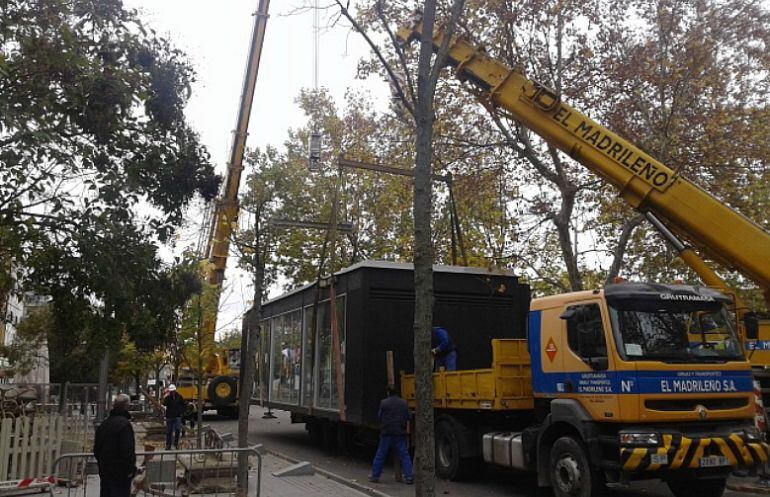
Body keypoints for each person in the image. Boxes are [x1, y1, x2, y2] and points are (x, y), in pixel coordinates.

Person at [368, 385, 414, 485]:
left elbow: (379, 416)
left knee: (381, 454)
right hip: (399, 433)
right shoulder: (404, 403)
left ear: (388, 392)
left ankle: (375, 476)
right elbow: (408, 416)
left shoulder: (384, 403)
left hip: (386, 433)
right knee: (404, 455)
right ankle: (409, 477)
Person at [94, 394, 136, 497]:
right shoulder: (125, 425)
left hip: (105, 471)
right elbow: (127, 451)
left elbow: (96, 449)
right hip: (120, 473)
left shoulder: (104, 425)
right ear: (127, 407)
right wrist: (130, 469)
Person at [162, 384, 186, 450]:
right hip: (169, 416)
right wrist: (165, 396)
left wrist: (181, 412)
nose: (172, 392)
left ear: (175, 390)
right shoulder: (167, 397)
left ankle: (176, 443)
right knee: (169, 431)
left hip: (177, 416)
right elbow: (164, 404)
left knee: (178, 429)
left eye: (173, 391)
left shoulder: (179, 397)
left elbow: (183, 405)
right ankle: (168, 445)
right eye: (171, 391)